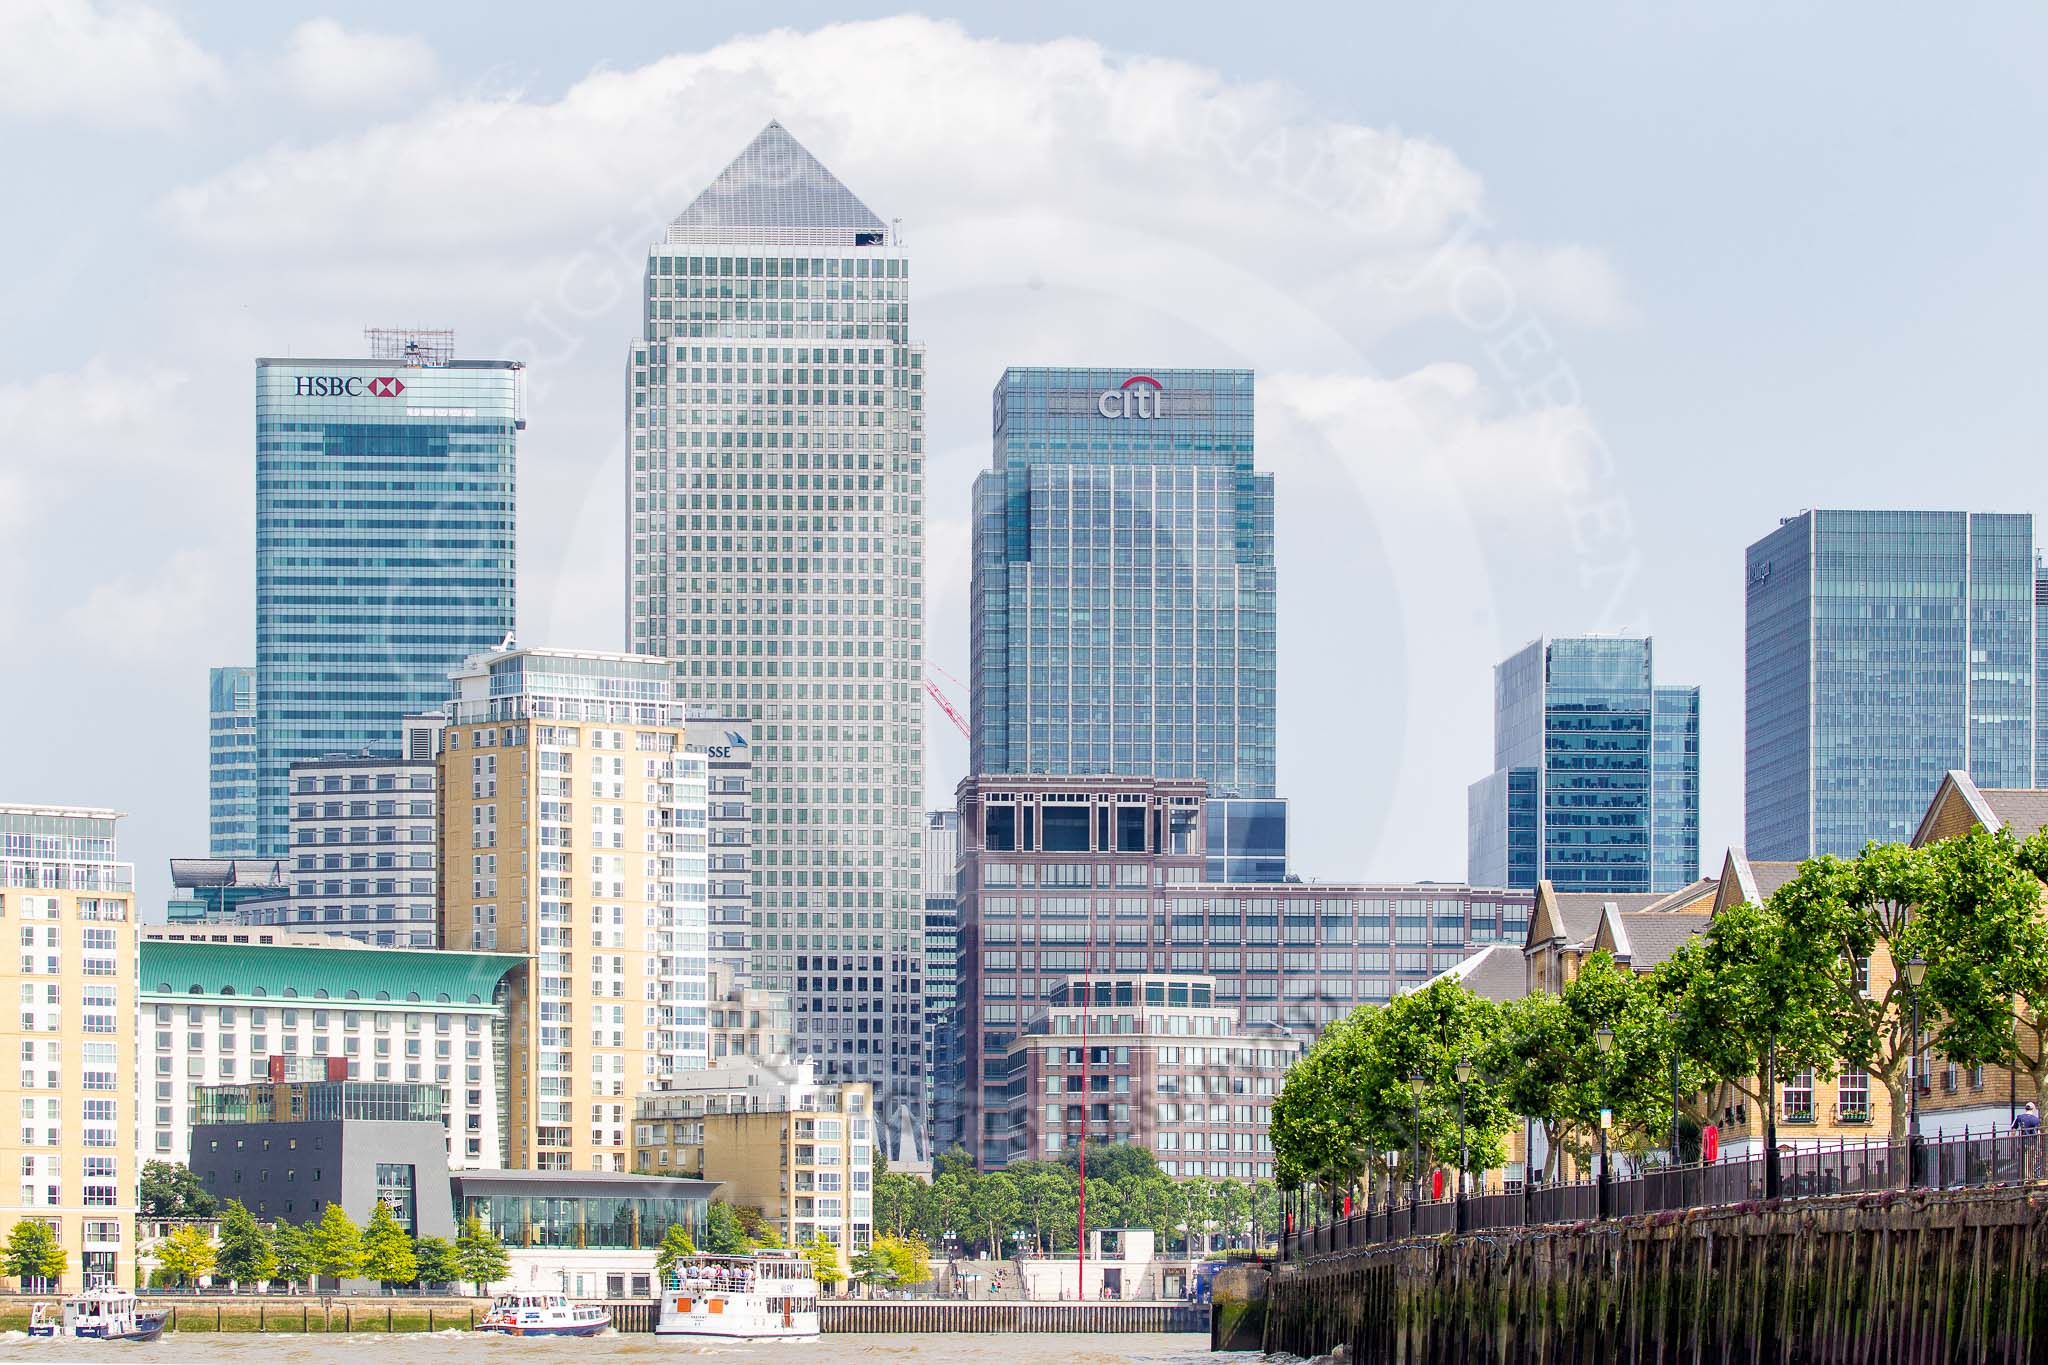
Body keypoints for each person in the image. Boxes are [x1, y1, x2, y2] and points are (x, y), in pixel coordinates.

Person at [2014, 1100, 2040, 1180]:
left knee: (2024, 1160)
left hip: (2022, 1142)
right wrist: (2039, 1144)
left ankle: (2026, 1177)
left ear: (2025, 1109)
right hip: (2032, 1142)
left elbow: (2013, 1129)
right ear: (2033, 1109)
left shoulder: (2019, 1117)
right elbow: (2037, 1133)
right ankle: (2029, 1177)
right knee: (2031, 1160)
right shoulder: (2036, 1119)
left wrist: (2012, 1141)